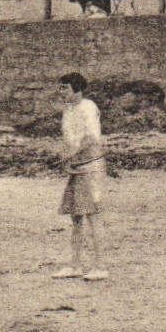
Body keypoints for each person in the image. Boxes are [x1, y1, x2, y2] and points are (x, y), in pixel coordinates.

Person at [52, 73, 108, 281]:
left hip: (91, 167)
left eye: (65, 88)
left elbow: (93, 138)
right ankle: (74, 265)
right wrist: (67, 157)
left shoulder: (88, 107)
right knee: (76, 217)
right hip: (76, 167)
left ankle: (100, 266)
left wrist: (71, 154)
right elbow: (70, 139)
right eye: (60, 87)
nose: (61, 92)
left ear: (77, 89)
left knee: (94, 217)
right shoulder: (68, 110)